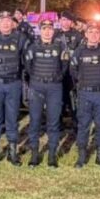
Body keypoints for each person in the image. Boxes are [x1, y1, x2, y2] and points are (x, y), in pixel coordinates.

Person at [0, 11, 29, 166]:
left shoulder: (20, 38)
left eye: (9, 21)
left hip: (14, 84)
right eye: (3, 21)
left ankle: (12, 151)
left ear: (12, 23)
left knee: (12, 117)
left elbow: (26, 59)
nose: (6, 23)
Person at [23, 19, 69, 167]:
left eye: (50, 28)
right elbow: (28, 67)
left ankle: (51, 155)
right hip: (37, 86)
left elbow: (64, 66)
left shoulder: (60, 47)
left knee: (53, 122)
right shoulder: (32, 47)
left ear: (53, 30)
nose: (47, 31)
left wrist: (56, 78)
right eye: (44, 29)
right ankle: (35, 155)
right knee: (35, 121)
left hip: (54, 87)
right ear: (40, 30)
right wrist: (37, 78)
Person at [70, 22, 100, 168]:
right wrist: (83, 82)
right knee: (83, 125)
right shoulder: (79, 51)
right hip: (85, 94)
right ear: (86, 34)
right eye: (91, 32)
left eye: (97, 32)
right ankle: (82, 155)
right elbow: (73, 70)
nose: (94, 35)